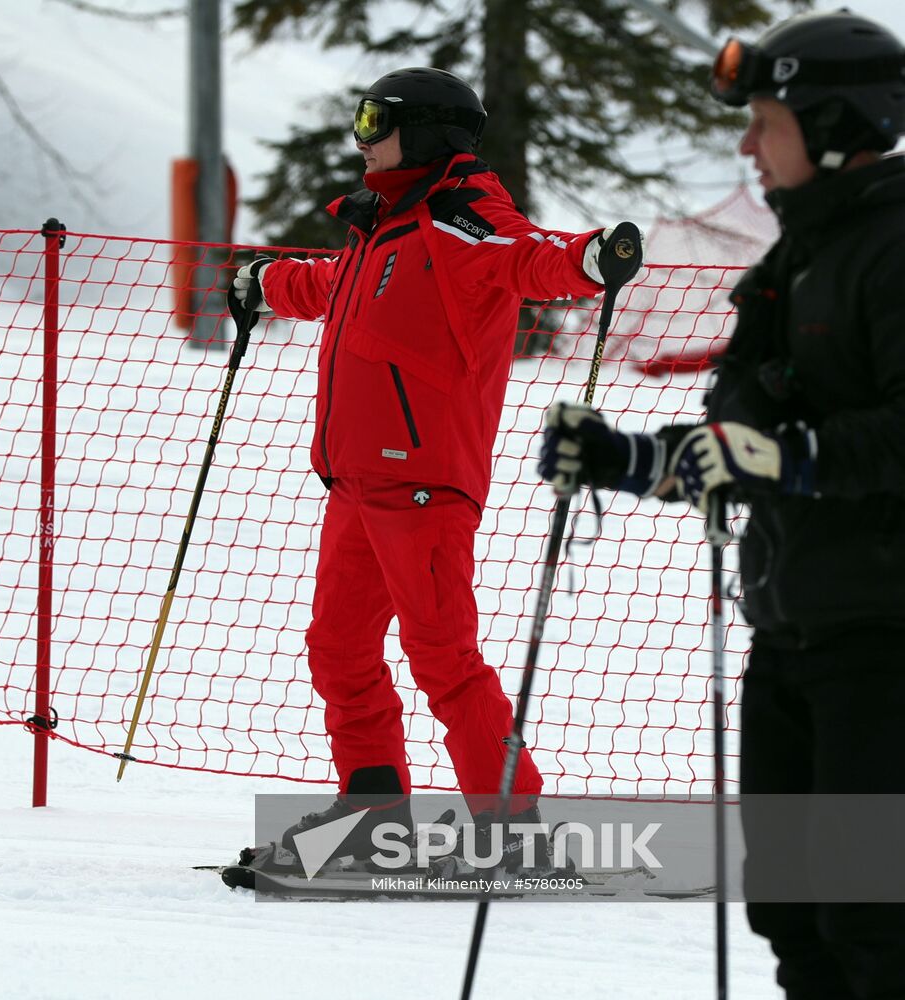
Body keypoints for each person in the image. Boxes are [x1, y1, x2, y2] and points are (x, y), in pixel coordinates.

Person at [539, 10, 905, 996]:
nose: (746, 143)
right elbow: (729, 451)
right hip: (789, 639)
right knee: (793, 913)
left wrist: (788, 456)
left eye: (766, 119)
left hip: (881, 649)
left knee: (875, 923)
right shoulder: (786, 264)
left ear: (834, 121)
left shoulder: (889, 249)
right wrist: (621, 457)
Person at [230, 66, 631, 870]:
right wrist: (266, 283)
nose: (363, 134)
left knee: (443, 658)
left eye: (378, 118)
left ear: (426, 131)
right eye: (361, 113)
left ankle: (513, 827)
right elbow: (336, 285)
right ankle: (374, 815)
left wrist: (591, 260)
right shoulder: (387, 220)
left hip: (422, 481)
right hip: (356, 480)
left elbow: (529, 260)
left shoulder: (461, 215)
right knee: (338, 648)